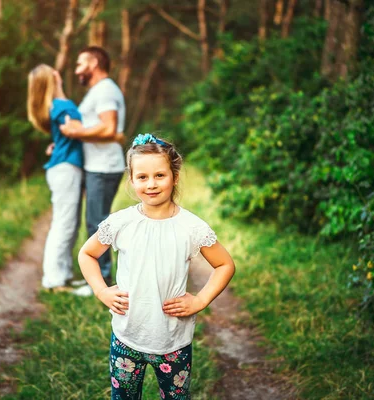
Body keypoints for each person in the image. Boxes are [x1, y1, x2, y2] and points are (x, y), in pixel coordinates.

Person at [77, 134, 236, 399]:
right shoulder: (121, 223)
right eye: (142, 177)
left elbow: (225, 264)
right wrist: (102, 291)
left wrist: (201, 300)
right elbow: (87, 254)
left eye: (159, 175)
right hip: (126, 337)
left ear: (174, 175)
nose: (151, 184)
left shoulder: (191, 227)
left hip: (173, 341)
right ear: (131, 180)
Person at [59, 46, 126, 294]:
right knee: (94, 222)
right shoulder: (98, 91)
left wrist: (75, 132)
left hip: (104, 167)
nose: (77, 70)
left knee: (98, 225)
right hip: (96, 166)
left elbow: (109, 128)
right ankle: (96, 279)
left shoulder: (106, 90)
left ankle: (104, 282)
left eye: (80, 64)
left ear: (94, 63)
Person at [27, 64, 85, 291]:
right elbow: (77, 129)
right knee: (64, 224)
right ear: (53, 77)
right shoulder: (61, 106)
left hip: (63, 167)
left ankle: (64, 274)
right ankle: (54, 280)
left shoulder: (57, 105)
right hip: (66, 169)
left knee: (69, 223)